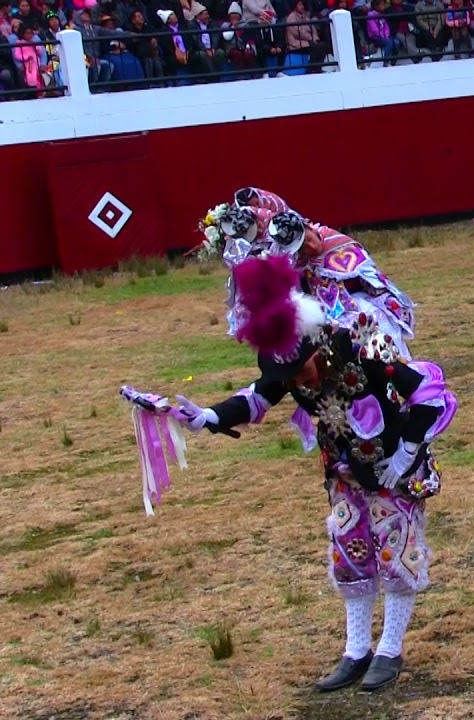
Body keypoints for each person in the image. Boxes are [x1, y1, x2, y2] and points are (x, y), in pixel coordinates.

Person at [167, 253, 458, 692]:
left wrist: (407, 452)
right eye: (285, 376)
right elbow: (256, 398)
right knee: (351, 553)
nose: (296, 383)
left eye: (299, 370)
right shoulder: (286, 370)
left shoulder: (363, 349)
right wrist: (207, 417)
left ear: (316, 346)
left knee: (395, 552)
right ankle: (356, 649)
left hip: (394, 467)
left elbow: (430, 396)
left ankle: (390, 650)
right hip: (343, 469)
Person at [268, 210, 417, 360]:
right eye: (302, 248)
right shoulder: (297, 263)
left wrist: (384, 299)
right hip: (329, 318)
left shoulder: (338, 243)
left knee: (382, 335)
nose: (311, 247)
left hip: (363, 304)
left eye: (308, 239)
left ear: (308, 226)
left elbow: (372, 280)